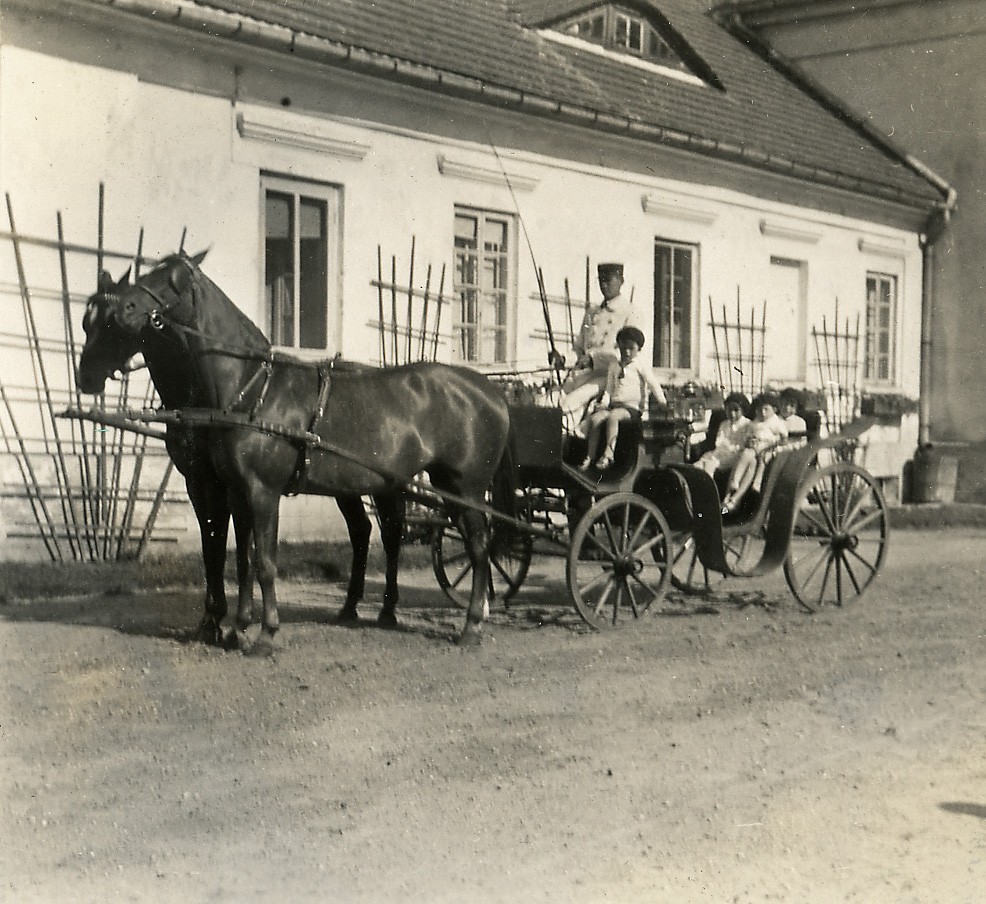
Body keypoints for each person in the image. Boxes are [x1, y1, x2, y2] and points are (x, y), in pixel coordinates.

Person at [555, 262, 642, 423]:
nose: (604, 285)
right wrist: (563, 359)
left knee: (569, 405)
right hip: (581, 375)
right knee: (550, 400)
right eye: (601, 280)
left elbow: (625, 354)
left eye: (608, 280)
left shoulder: (629, 312)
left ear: (621, 281)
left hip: (607, 377)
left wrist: (593, 359)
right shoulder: (592, 312)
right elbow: (579, 348)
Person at [578, 326, 667, 471]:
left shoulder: (640, 366)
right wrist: (604, 403)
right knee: (595, 419)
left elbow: (653, 384)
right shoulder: (614, 366)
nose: (626, 352)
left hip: (632, 409)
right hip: (614, 405)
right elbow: (609, 388)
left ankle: (609, 454)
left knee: (613, 417)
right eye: (623, 348)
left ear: (638, 349)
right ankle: (590, 456)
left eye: (631, 348)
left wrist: (662, 401)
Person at [720, 391, 788, 514]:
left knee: (748, 456)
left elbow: (783, 438)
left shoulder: (776, 422)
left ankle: (737, 489)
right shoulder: (755, 422)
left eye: (766, 409)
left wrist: (770, 443)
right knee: (748, 459)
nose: (762, 413)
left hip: (767, 450)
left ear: (774, 409)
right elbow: (747, 436)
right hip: (753, 451)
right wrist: (749, 441)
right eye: (760, 410)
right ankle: (732, 498)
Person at [694, 392, 751, 475]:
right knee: (697, 465)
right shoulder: (724, 424)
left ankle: (708, 486)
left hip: (734, 456)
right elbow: (718, 442)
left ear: (743, 410)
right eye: (729, 410)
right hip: (720, 453)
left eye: (736, 410)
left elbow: (743, 445)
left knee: (709, 465)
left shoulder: (747, 425)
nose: (732, 414)